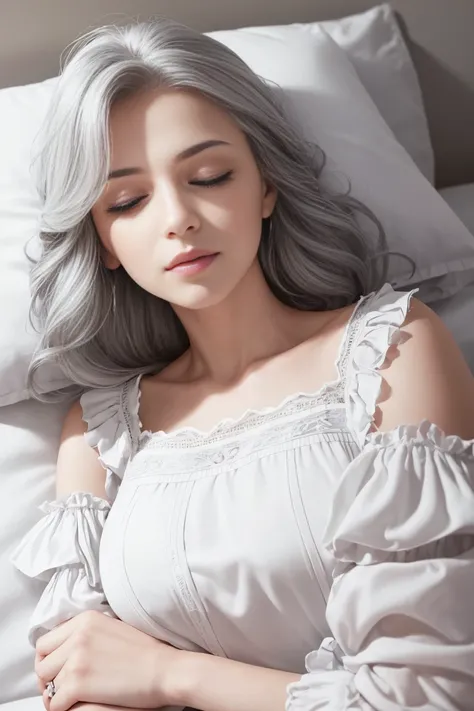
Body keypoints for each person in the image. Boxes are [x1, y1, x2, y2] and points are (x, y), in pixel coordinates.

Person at [11, 17, 474, 711]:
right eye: (128, 200)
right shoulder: (98, 432)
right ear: (103, 239)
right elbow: (75, 681)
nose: (178, 218)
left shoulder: (394, 352)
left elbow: (427, 696)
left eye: (208, 175)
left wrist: (170, 675)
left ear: (265, 186)